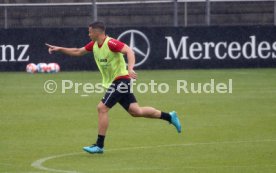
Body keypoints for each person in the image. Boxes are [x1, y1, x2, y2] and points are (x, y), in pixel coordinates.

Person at [46, 21, 181, 154]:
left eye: (89, 32)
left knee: (102, 108)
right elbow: (78, 51)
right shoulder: (94, 44)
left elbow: (129, 50)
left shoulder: (111, 43)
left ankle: (99, 145)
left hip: (121, 81)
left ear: (96, 32)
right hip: (116, 82)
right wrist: (60, 49)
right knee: (136, 111)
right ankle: (169, 116)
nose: (88, 34)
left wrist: (130, 68)